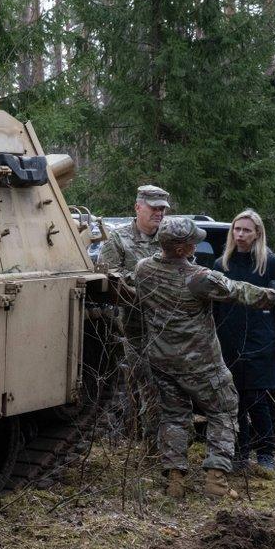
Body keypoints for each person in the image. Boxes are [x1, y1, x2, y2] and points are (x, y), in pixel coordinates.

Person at [132, 215, 275, 496]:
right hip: (201, 363)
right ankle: (216, 480)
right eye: (192, 243)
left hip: (162, 361)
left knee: (174, 417)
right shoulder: (198, 278)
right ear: (181, 249)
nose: (195, 246)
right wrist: (272, 295)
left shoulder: (143, 270)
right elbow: (238, 291)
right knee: (223, 411)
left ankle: (175, 481)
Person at [213, 209, 275, 478]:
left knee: (258, 400)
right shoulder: (221, 265)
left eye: (246, 230)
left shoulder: (270, 263)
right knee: (233, 400)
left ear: (257, 233)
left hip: (261, 343)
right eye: (237, 229)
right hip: (229, 343)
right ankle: (240, 453)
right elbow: (213, 310)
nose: (240, 234)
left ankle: (266, 454)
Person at [98, 184, 174, 438]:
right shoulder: (119, 239)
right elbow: (108, 277)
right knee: (146, 384)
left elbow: (185, 270)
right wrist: (148, 280)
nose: (159, 214)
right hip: (135, 329)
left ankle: (163, 445)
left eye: (163, 209)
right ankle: (149, 446)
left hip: (169, 327)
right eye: (154, 208)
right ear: (138, 207)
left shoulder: (170, 238)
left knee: (168, 387)